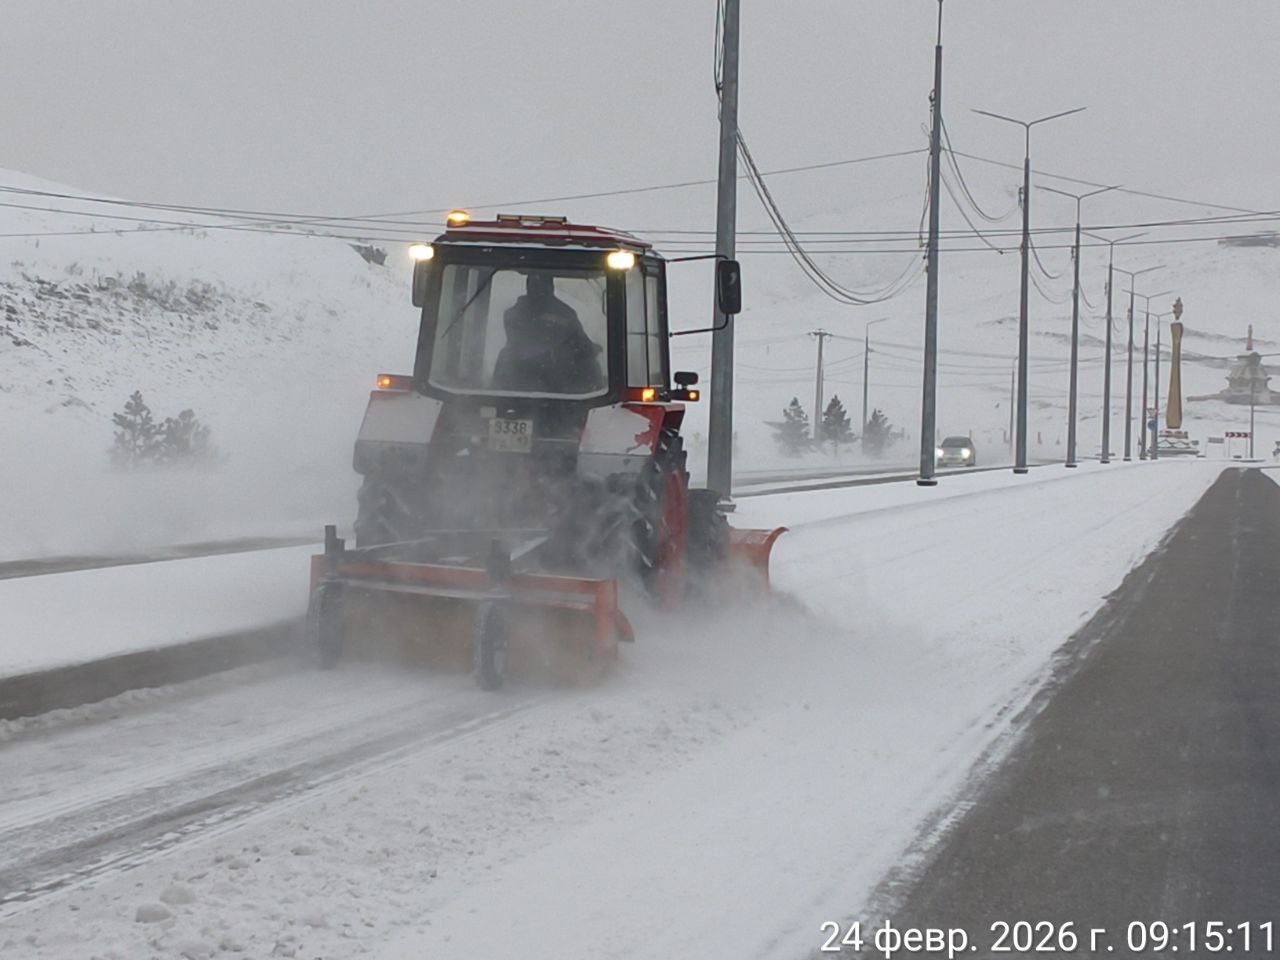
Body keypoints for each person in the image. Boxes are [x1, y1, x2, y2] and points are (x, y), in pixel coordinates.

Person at [493, 273, 604, 394]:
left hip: (525, 377)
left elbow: (579, 341)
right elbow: (579, 342)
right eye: (536, 285)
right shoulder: (564, 313)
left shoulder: (513, 313)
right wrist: (589, 349)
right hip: (555, 380)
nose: (539, 289)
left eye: (540, 285)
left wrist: (589, 348)